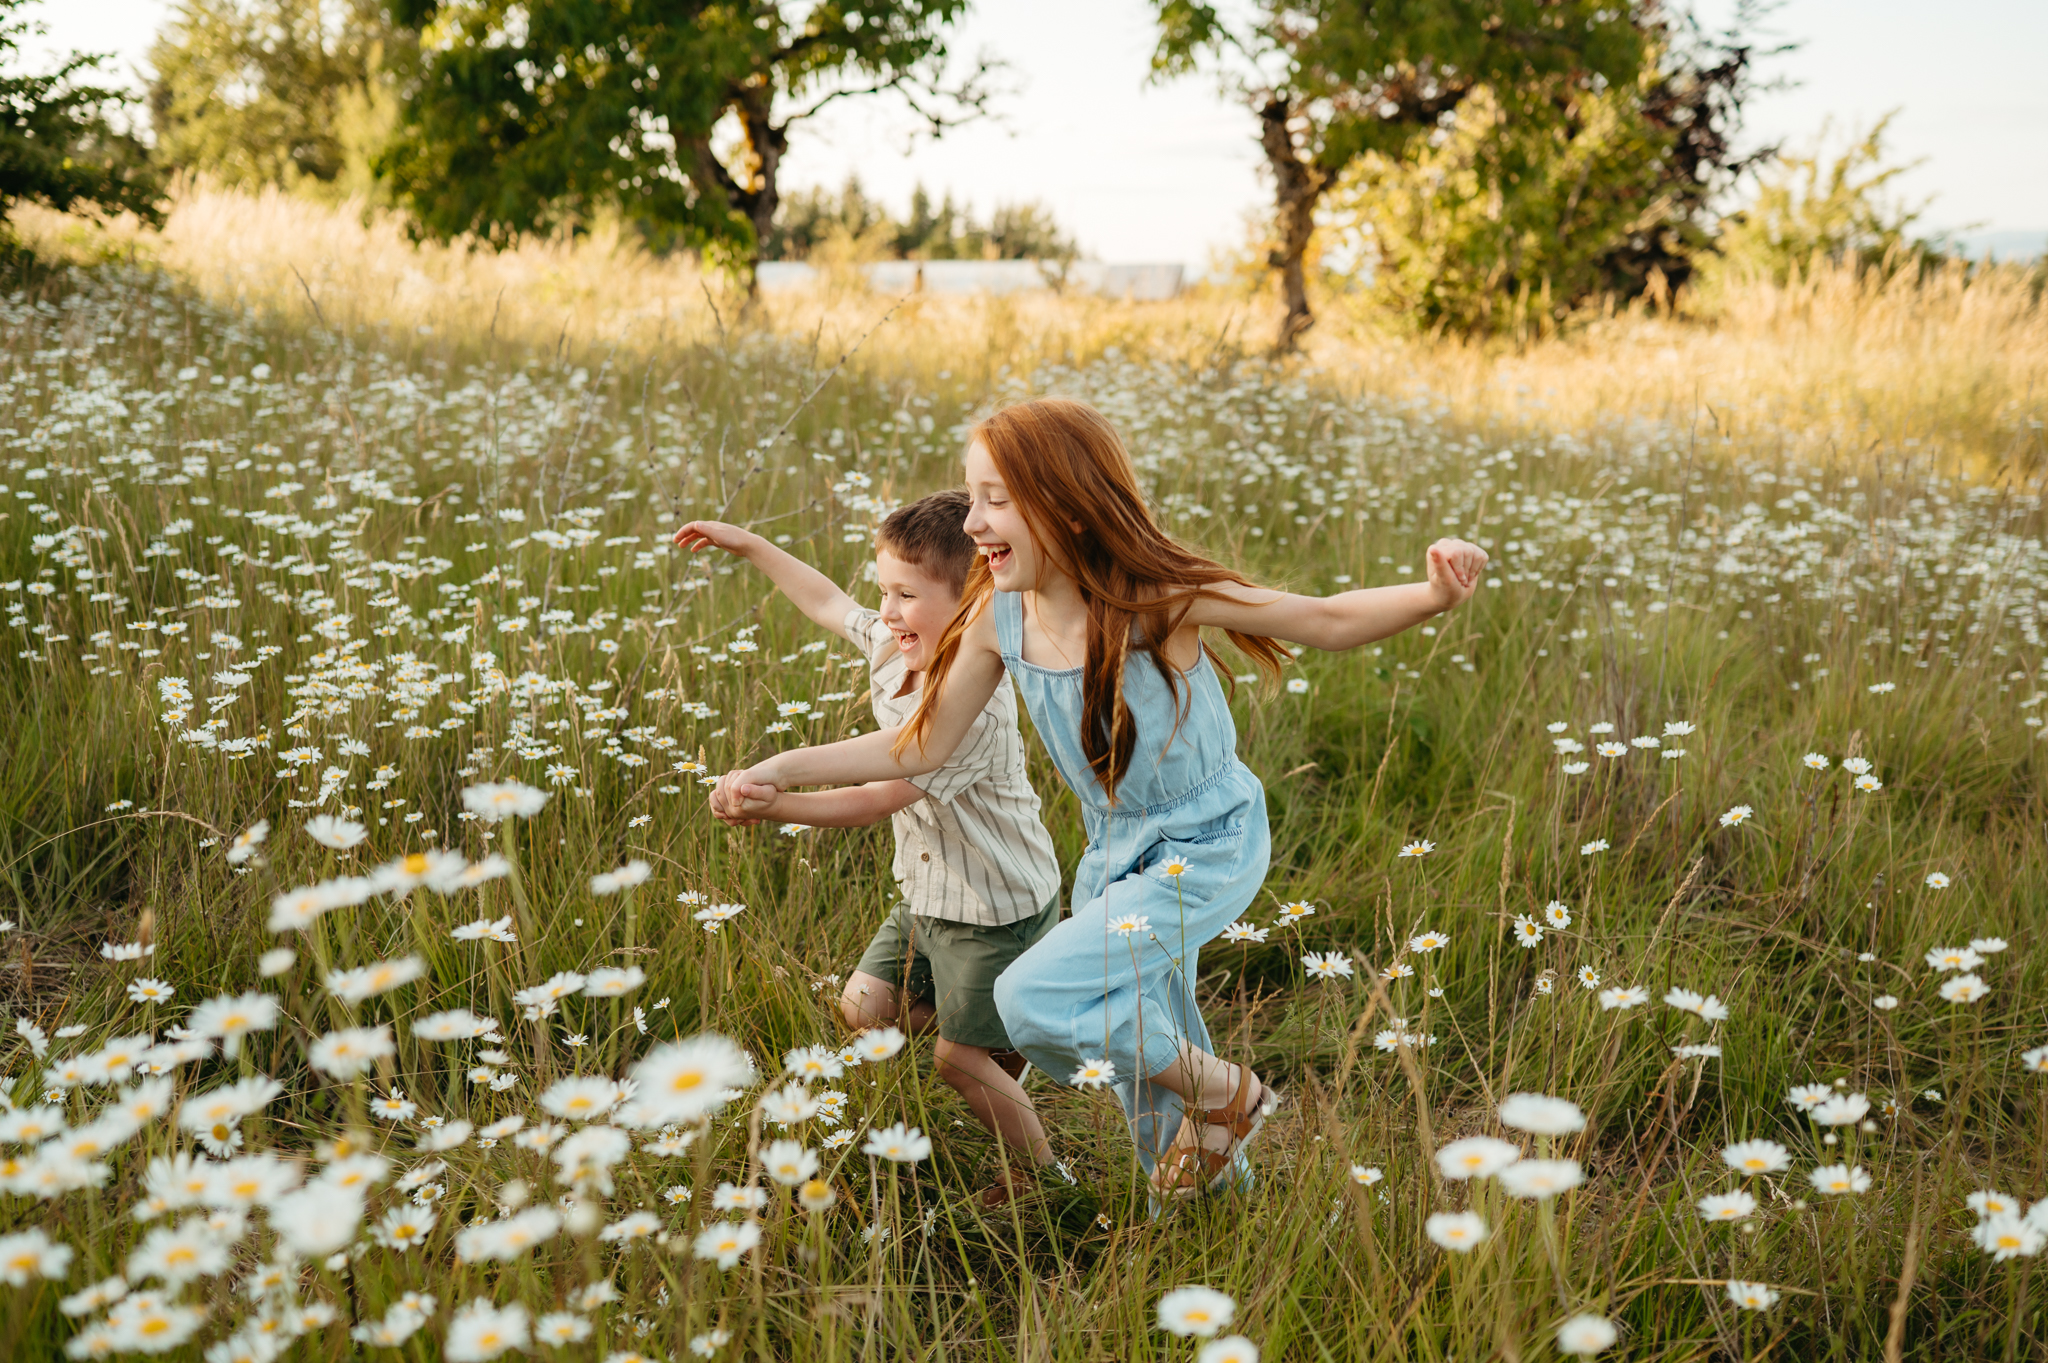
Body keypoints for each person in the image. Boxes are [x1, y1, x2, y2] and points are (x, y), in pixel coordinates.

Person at [710, 397, 1487, 1199]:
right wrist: (783, 765)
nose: (973, 521)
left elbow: (1322, 618)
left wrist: (1433, 596)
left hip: (1207, 841)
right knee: (1144, 1055)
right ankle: (1208, 1200)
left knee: (1035, 994)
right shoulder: (997, 620)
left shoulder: (1155, 595)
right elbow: (923, 744)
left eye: (996, 499)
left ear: (1069, 506)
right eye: (971, 496)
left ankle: (1228, 1092)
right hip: (1115, 850)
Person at [673, 491, 1069, 1205]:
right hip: (929, 892)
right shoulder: (896, 643)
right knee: (862, 1007)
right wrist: (750, 545)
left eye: (906, 594)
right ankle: (1001, 1034)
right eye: (884, 588)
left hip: (994, 905)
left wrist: (776, 795)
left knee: (957, 1062)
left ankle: (1041, 1174)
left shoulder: (974, 708)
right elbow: (828, 602)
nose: (885, 609)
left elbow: (875, 794)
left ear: (974, 599)